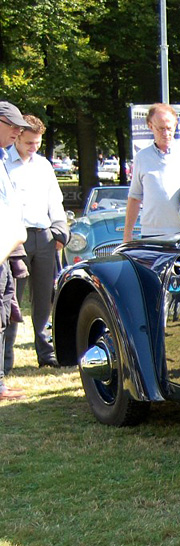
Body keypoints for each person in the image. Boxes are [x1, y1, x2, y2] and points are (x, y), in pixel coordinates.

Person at [2, 115, 68, 370]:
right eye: (29, 142)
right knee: (11, 300)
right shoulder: (4, 163)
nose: (33, 147)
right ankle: (5, 360)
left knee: (45, 300)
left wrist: (60, 231)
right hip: (13, 238)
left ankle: (47, 354)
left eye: (37, 143)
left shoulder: (43, 166)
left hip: (43, 236)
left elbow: (55, 201)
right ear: (17, 136)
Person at [124, 103, 180, 242]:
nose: (166, 134)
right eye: (160, 129)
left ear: (176, 125)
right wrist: (127, 235)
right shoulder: (142, 157)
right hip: (151, 236)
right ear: (150, 126)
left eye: (169, 128)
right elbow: (134, 197)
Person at [0, 101, 29, 401]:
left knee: (5, 312)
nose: (17, 131)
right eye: (12, 125)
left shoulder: (2, 158)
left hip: (6, 249)